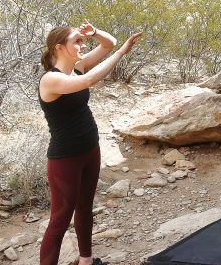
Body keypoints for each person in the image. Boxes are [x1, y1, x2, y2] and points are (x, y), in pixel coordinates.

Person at [38, 22, 142, 265]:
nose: (82, 45)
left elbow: (109, 43)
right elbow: (89, 81)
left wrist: (94, 33)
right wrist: (120, 54)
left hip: (90, 149)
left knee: (85, 207)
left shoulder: (77, 68)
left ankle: (86, 261)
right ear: (59, 47)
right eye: (77, 41)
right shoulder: (50, 80)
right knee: (60, 218)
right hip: (65, 158)